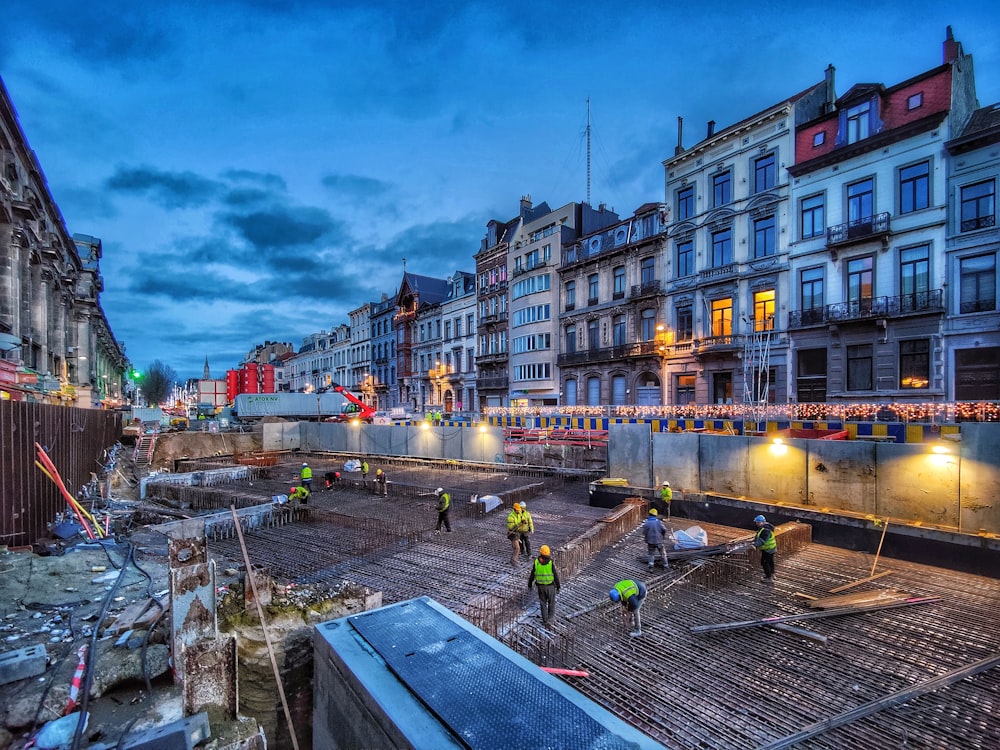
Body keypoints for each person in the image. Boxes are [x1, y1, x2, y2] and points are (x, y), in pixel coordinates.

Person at [527, 544, 561, 626]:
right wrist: (558, 586)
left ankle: (545, 620)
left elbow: (532, 574)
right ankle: (550, 619)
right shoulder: (550, 562)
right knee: (551, 603)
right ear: (548, 553)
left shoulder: (536, 562)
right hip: (550, 586)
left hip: (540, 587)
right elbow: (555, 575)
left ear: (541, 553)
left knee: (543, 604)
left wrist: (530, 584)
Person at [752, 514, 777, 581]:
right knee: (770, 561)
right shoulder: (766, 528)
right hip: (771, 548)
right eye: (756, 522)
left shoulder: (765, 530)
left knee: (764, 562)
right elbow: (758, 537)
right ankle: (772, 574)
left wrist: (755, 545)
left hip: (767, 549)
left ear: (763, 522)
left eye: (758, 522)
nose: (757, 524)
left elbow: (762, 540)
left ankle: (768, 577)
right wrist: (754, 541)